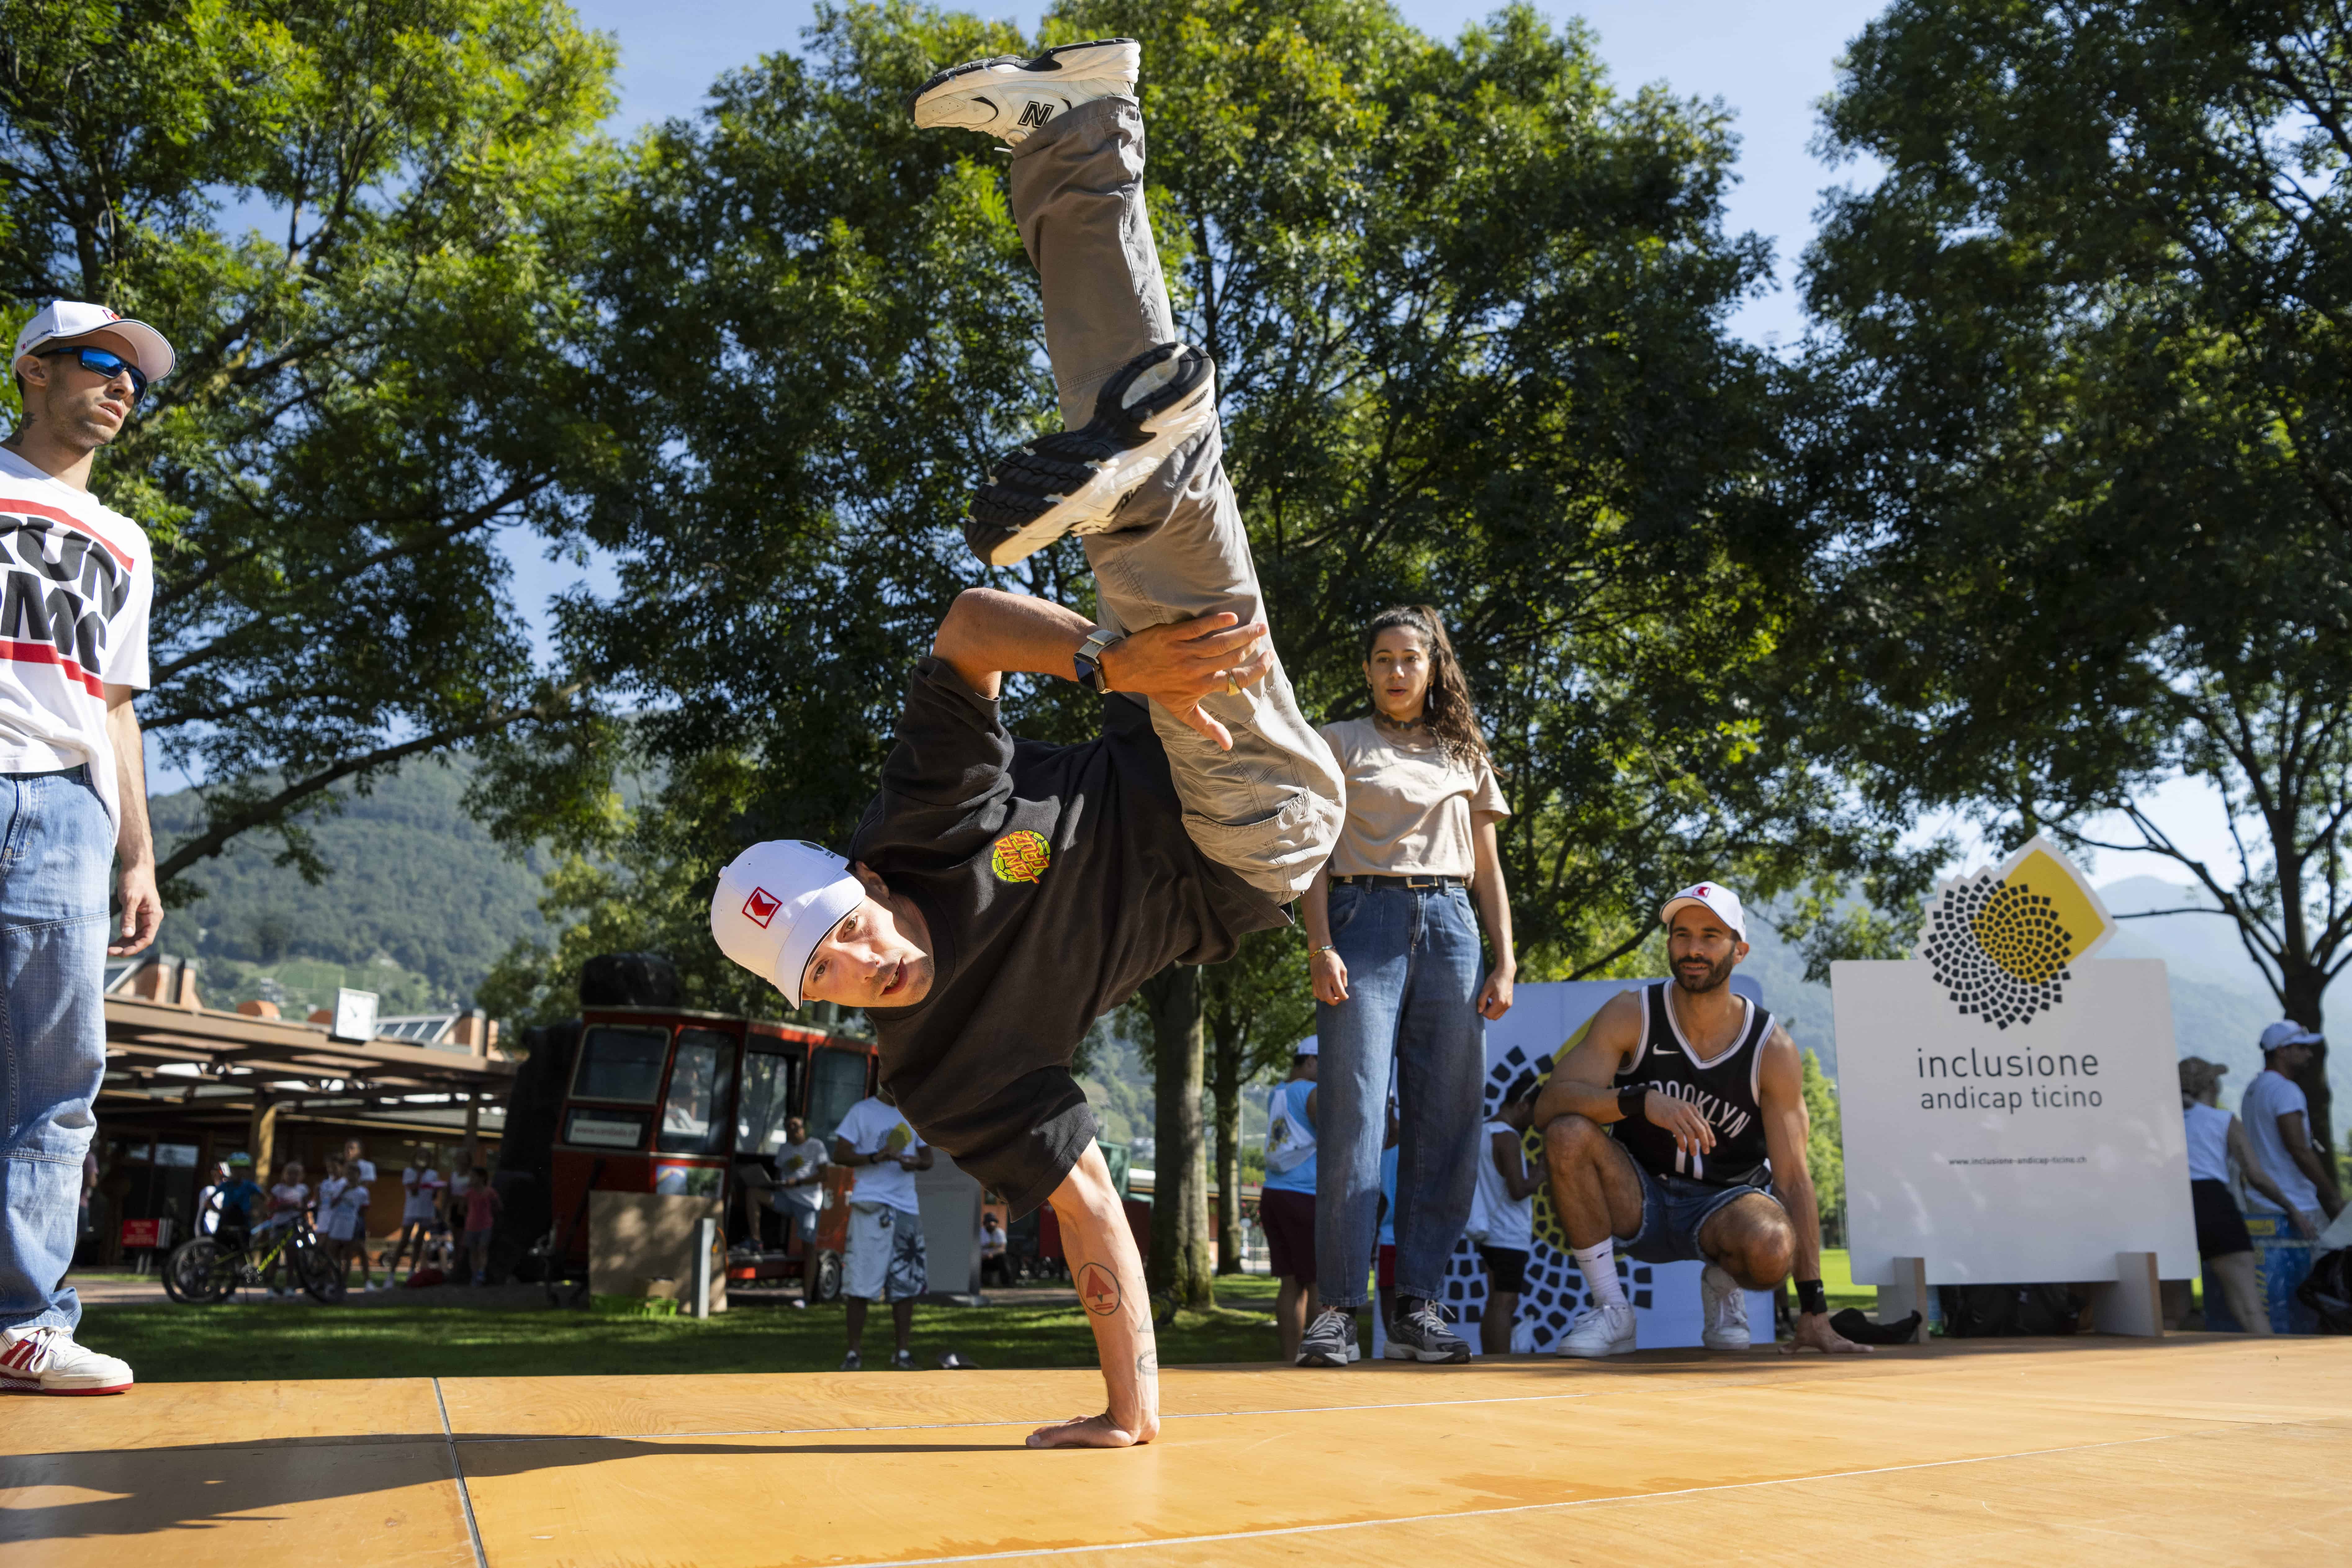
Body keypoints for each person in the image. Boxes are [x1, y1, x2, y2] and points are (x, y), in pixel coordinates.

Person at [708, 38, 1346, 1449]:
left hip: (1177, 714)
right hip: (1254, 833)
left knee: (1156, 527)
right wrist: (1131, 1415)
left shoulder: (920, 821)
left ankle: (1073, 141)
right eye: (835, 970)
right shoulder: (942, 1074)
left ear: (864, 878)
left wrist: (1108, 658)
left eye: (850, 923)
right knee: (1160, 551)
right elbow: (1087, 1206)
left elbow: (966, 624)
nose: (871, 959)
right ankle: (1133, 446)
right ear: (820, 1001)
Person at [0, 300, 173, 1395]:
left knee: (59, 1074)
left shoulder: (125, 538)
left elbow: (114, 704)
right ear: (33, 372)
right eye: (102, 364)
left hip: (68, 806)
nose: (120, 389)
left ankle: (21, 1324)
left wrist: (138, 855)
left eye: (135, 381)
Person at [1300, 604, 1517, 1368]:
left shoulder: (1463, 751)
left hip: (1455, 927)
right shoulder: (1335, 742)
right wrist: (1320, 944)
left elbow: (1486, 864)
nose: (1397, 671)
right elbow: (1313, 857)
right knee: (1355, 1116)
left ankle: (1417, 1303)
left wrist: (1505, 958)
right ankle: (1335, 1309)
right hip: (1363, 920)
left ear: (1431, 667)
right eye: (1383, 658)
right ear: (1366, 668)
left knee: (1447, 1120)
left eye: (1410, 659)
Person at [1533, 882, 1863, 1357]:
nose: (1693, 948)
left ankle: (1722, 1281)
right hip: (1637, 1195)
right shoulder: (1632, 1013)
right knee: (1568, 1134)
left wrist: (1813, 1311)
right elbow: (1549, 1106)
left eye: (1710, 936)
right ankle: (1611, 1310)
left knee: (1771, 1244)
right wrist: (1637, 1100)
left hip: (1725, 1205)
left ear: (1739, 950)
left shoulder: (1771, 1047)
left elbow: (1792, 1180)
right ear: (1668, 944)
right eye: (1681, 934)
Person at [2178, 1056, 2293, 1334]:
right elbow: (2255, 1175)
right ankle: (2272, 1368)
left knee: (2170, 1313)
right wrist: (2292, 1208)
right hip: (2212, 1201)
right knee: (2249, 1306)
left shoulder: (2161, 1119)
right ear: (2211, 1086)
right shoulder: (2224, 1120)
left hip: (2170, 1203)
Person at [833, 1092, 932, 1370]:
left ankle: (902, 1353)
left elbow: (928, 1159)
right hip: (870, 1205)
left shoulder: (913, 1114)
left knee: (906, 1284)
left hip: (906, 1208)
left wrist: (911, 1162)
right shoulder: (862, 1111)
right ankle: (854, 1353)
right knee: (859, 1283)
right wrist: (876, 1157)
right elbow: (840, 1154)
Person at [2240, 1021, 2343, 1239]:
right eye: (2302, 1048)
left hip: (2260, 1202)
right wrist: (2333, 1196)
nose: (2309, 1054)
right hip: (2295, 1205)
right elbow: (2299, 1149)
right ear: (2282, 1050)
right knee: (2325, 1266)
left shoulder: (2253, 1090)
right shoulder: (2286, 1090)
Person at [1260, 1039, 1320, 1364]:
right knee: (1316, 1281)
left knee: (1290, 1283)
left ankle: (1290, 1358)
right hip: (1305, 1195)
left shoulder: (1278, 1092)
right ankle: (1317, 1354)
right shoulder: (1309, 1092)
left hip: (1273, 1193)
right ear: (1310, 1061)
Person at [1469, 1086, 1541, 1356]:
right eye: (1533, 1113)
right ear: (1523, 1104)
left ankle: (1492, 1360)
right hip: (1508, 1234)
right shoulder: (1507, 1137)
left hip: (1492, 1231)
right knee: (1505, 1302)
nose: (1534, 1123)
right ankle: (1498, 1364)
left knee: (1497, 1301)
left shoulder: (1485, 1131)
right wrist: (1544, 1168)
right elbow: (1518, 1189)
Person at [775, 1115, 830, 1307]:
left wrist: (798, 1182)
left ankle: (806, 1298)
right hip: (786, 1198)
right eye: (788, 1126)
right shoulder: (784, 1149)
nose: (793, 1130)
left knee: (809, 1247)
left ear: (804, 1128)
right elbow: (778, 1171)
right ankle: (756, 1242)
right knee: (754, 1195)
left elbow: (825, 1175)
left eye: (796, 1126)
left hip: (808, 1203)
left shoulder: (817, 1146)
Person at [389, 1149, 445, 1282]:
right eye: (420, 1157)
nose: (423, 1159)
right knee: (404, 1241)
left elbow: (434, 1195)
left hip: (426, 1211)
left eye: (426, 1157)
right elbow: (413, 1191)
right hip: (412, 1211)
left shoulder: (433, 1174)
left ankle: (412, 1271)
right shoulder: (409, 1172)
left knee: (419, 1243)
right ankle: (391, 1274)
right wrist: (420, 1175)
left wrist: (435, 1189)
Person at [460, 1166, 500, 1286]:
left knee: (483, 1248)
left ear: (482, 1178)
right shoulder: (469, 1193)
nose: (471, 1179)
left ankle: (481, 1272)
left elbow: (498, 1206)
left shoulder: (490, 1192)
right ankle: (475, 1275)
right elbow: (462, 1209)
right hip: (472, 1226)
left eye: (474, 1177)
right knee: (473, 1251)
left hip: (486, 1225)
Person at [980, 1213, 1010, 1287]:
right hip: (982, 1259)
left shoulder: (1000, 1232)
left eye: (993, 1222)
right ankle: (978, 1284)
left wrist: (992, 1254)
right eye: (989, 1222)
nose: (992, 1224)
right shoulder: (980, 1232)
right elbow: (974, 1248)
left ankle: (1007, 1284)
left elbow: (1002, 1249)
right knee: (974, 1260)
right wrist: (982, 1256)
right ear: (985, 1223)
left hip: (994, 1259)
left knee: (1003, 1259)